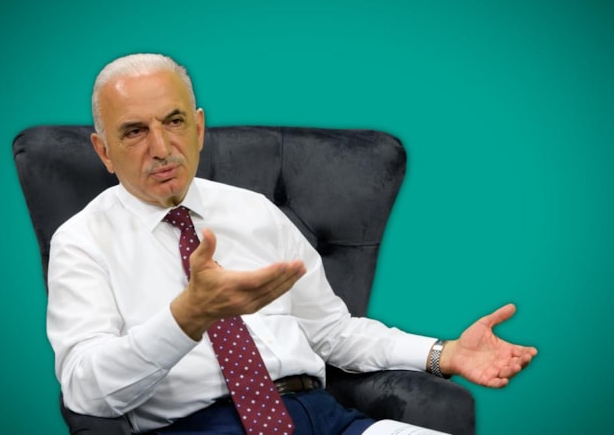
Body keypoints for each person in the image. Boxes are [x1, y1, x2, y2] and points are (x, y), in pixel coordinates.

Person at [46, 53, 537, 435]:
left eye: (173, 121)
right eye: (135, 131)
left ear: (198, 128)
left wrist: (444, 352)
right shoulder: (82, 241)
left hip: (325, 419)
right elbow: (85, 388)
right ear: (103, 150)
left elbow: (334, 332)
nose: (160, 147)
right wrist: (187, 317)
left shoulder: (254, 211)